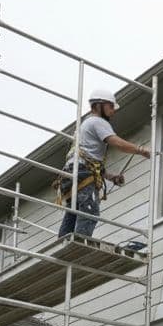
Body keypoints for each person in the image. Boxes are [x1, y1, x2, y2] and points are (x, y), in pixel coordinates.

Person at [56, 88, 151, 238]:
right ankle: (79, 247)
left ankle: (62, 243)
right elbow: (116, 142)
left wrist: (111, 177)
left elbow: (91, 160)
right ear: (98, 105)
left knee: (74, 211)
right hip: (81, 173)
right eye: (110, 106)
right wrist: (140, 150)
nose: (113, 111)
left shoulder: (85, 125)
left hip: (72, 173)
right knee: (90, 211)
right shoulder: (97, 121)